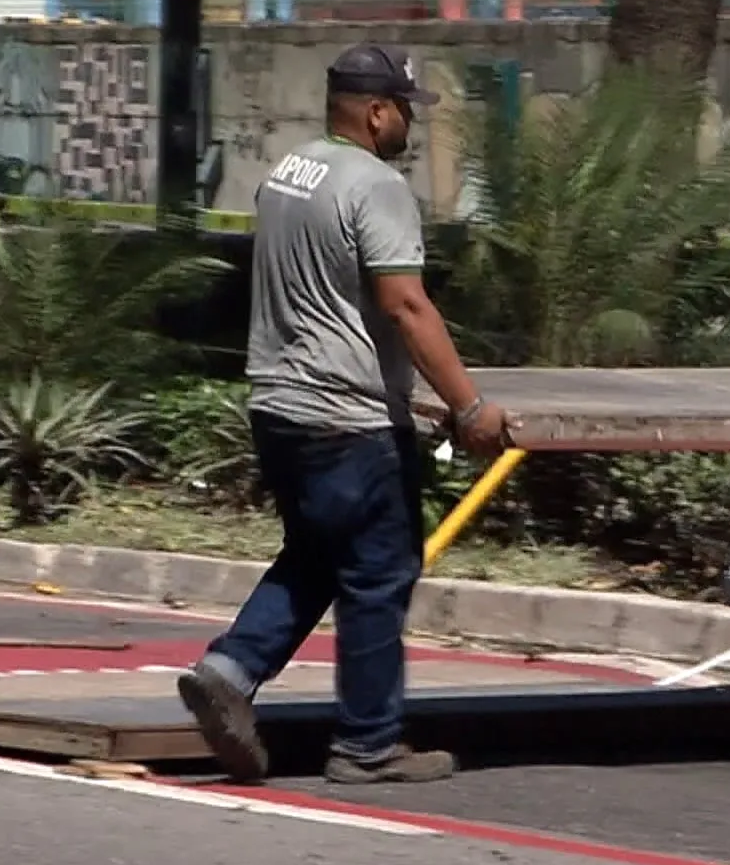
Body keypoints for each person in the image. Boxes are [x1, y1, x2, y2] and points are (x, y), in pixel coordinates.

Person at [176, 43, 510, 786]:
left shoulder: (288, 174)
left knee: (318, 552)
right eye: (404, 116)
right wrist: (470, 407)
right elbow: (406, 304)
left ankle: (230, 670)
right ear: (376, 111)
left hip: (278, 404)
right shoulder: (377, 185)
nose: (409, 133)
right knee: (379, 569)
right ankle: (368, 744)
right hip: (347, 416)